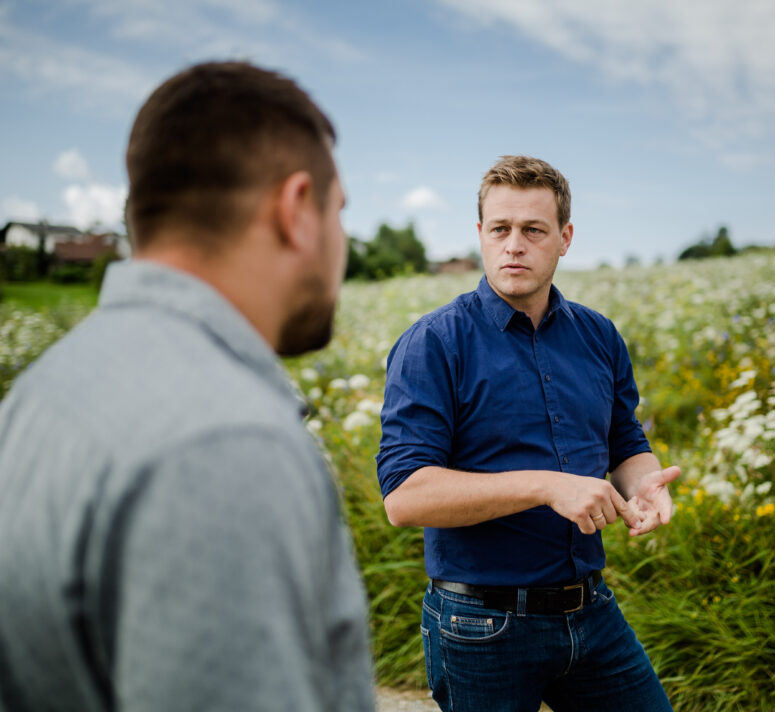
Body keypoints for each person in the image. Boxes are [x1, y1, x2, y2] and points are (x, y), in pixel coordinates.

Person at [0, 62, 374, 711]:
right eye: (339, 212)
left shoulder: (38, 394)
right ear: (295, 211)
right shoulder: (227, 444)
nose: (342, 243)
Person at [376, 155, 681, 711]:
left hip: (592, 612)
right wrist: (548, 486)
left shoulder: (598, 335)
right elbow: (404, 496)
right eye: (501, 229)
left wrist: (644, 484)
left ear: (564, 238)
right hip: (480, 626)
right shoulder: (433, 343)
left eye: (533, 230)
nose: (514, 244)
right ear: (480, 235)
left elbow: (625, 439)